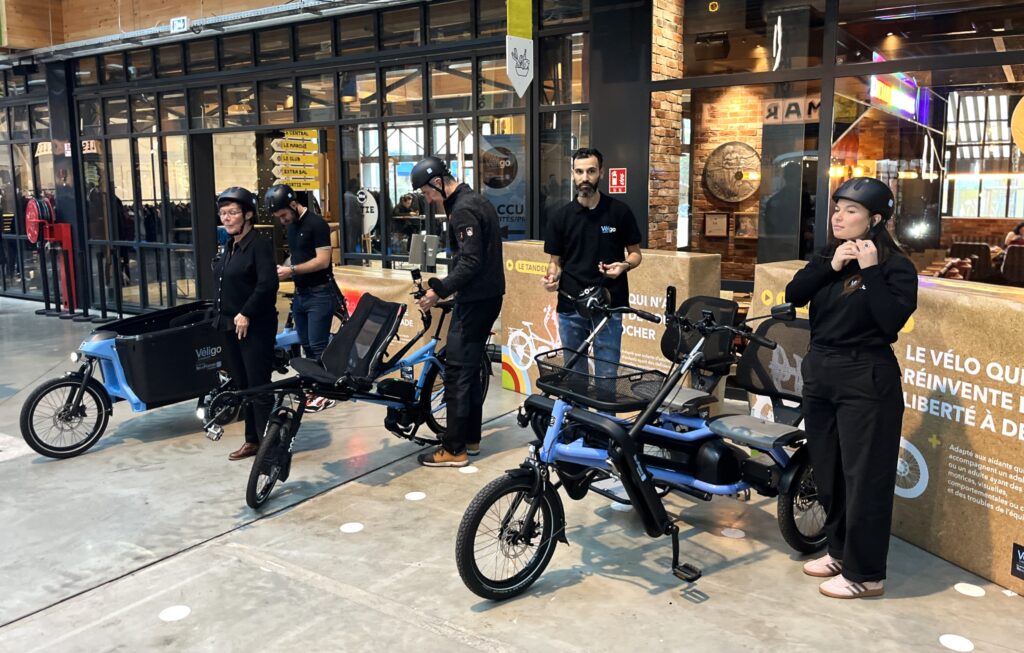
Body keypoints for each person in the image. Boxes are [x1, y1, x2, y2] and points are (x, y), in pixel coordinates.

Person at [784, 177, 918, 599]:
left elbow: (889, 320)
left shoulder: (896, 267)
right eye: (837, 208)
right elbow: (794, 293)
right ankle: (839, 550)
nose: (838, 216)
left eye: (850, 210)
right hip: (822, 370)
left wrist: (871, 269)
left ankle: (866, 574)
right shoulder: (829, 254)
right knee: (829, 472)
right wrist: (832, 265)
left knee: (865, 479)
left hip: (867, 376)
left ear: (875, 220)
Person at [411, 156, 504, 468]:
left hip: (477, 300)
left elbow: (471, 261)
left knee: (458, 371)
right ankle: (470, 438)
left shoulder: (462, 209)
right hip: (486, 296)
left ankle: (454, 449)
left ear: (438, 182)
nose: (427, 199)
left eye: (426, 192)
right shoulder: (474, 200)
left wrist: (438, 291)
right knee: (470, 369)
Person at [542, 147, 642, 384]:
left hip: (610, 305)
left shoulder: (619, 212)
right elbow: (554, 262)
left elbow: (636, 254)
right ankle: (578, 422)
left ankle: (605, 421)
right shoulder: (560, 217)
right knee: (574, 375)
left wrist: (624, 266)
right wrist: (551, 279)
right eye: (579, 171)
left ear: (601, 173)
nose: (585, 178)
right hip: (570, 305)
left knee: (607, 376)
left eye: (591, 171)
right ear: (573, 174)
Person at [211, 187, 280, 461]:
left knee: (259, 387)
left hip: (254, 326)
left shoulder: (259, 246)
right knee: (243, 387)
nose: (226, 218)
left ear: (248, 215)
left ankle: (269, 446)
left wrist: (246, 312)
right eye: (223, 213)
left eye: (232, 213)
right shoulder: (230, 246)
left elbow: (268, 284)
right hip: (229, 325)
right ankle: (252, 440)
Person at [266, 184, 339, 413]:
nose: (282, 220)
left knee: (318, 345)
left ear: (293, 204)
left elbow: (322, 261)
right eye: (279, 217)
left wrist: (292, 271)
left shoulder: (316, 224)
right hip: (302, 293)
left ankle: (327, 391)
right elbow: (298, 257)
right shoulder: (292, 226)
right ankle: (314, 388)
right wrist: (283, 269)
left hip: (320, 292)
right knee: (305, 344)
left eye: (284, 215)